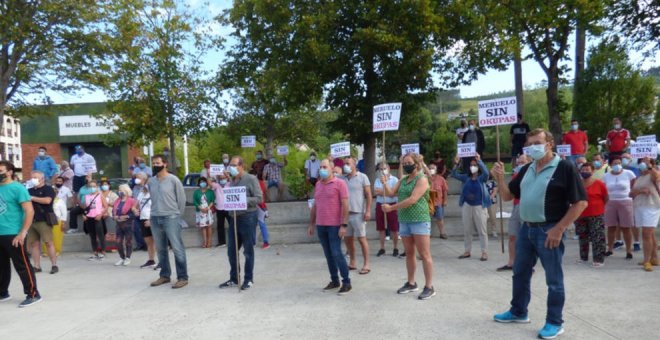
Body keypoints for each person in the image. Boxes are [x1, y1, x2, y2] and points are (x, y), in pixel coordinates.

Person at [491, 128, 587, 339]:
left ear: (549, 144)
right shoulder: (527, 169)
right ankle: (518, 311)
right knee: (520, 273)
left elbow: (580, 203)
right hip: (527, 229)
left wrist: (559, 229)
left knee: (553, 280)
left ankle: (554, 321)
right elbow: (508, 196)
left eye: (537, 142)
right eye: (530, 143)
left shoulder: (564, 167)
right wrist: (499, 179)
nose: (533, 147)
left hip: (549, 230)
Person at [381, 153, 435, 300]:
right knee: (409, 253)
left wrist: (391, 209)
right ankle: (411, 282)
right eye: (404, 163)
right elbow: (392, 193)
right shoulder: (403, 179)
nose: (406, 166)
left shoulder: (422, 179)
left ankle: (429, 286)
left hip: (419, 220)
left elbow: (413, 199)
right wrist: (385, 182)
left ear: (417, 164)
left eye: (408, 163)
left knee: (424, 254)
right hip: (404, 220)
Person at [0, 160, 42, 307]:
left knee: (21, 264)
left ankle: (33, 293)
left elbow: (29, 211)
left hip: (13, 233)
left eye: (1, 170)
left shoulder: (18, 188)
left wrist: (22, 233)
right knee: (2, 265)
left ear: (10, 172)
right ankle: (2, 292)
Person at [307, 159, 351, 295]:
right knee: (328, 255)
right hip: (321, 225)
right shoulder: (318, 184)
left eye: (324, 167)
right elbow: (315, 205)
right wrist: (311, 223)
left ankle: (346, 282)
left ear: (332, 169)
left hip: (334, 225)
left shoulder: (340, 183)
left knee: (337, 253)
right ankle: (334, 280)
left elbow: (345, 205)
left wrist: (343, 225)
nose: (322, 169)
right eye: (320, 167)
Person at [219, 156, 262, 290]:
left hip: (248, 217)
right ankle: (234, 278)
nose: (230, 167)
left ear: (241, 165)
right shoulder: (232, 181)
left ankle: (248, 279)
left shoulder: (251, 179)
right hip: (234, 218)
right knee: (232, 250)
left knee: (248, 250)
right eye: (230, 165)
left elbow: (259, 198)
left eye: (233, 165)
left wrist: (243, 199)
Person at [148, 155, 189, 289]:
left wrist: (177, 215)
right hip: (155, 217)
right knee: (160, 249)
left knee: (177, 248)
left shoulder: (173, 180)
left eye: (158, 163)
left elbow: (181, 200)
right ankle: (164, 275)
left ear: (165, 164)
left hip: (171, 217)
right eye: (154, 163)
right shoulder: (151, 181)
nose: (155, 165)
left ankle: (182, 277)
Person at [451, 154, 491, 261]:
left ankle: (484, 252)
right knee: (467, 229)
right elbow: (453, 174)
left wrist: (480, 161)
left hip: (479, 206)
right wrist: (456, 163)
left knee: (482, 230)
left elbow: (487, 173)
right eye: (471, 165)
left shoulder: (482, 178)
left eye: (475, 165)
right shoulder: (466, 177)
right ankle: (467, 250)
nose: (473, 167)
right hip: (467, 205)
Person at [497, 153, 531, 272]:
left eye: (522, 162)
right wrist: (499, 178)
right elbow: (508, 195)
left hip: (527, 206)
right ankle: (512, 262)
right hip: (516, 206)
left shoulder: (531, 174)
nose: (519, 165)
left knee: (526, 237)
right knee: (512, 235)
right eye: (518, 163)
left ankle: (527, 264)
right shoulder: (515, 175)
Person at [574, 163, 608, 267]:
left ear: (593, 171)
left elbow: (606, 198)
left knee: (597, 237)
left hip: (596, 214)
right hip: (580, 214)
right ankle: (583, 257)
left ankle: (599, 259)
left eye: (587, 169)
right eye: (583, 170)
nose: (585, 171)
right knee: (582, 236)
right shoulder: (577, 183)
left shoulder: (599, 183)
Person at [602, 156, 636, 259]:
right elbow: (603, 189)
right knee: (611, 227)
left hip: (625, 201)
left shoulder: (628, 173)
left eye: (619, 163)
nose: (617, 165)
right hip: (610, 202)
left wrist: (631, 193)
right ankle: (610, 249)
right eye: (615, 163)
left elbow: (634, 184)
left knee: (626, 227)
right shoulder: (606, 176)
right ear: (611, 165)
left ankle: (629, 250)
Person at [343, 157, 372, 275]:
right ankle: (353, 262)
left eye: (348, 163)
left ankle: (366, 264)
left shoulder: (362, 177)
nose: (346, 166)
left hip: (358, 214)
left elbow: (369, 195)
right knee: (348, 240)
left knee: (361, 239)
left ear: (354, 165)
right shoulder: (342, 178)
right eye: (344, 163)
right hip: (345, 215)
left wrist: (368, 211)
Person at [630, 158, 660, 272]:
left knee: (646, 234)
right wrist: (639, 191)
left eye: (646, 162)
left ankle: (646, 261)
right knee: (649, 233)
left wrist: (649, 166)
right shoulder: (638, 178)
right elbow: (631, 193)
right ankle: (655, 258)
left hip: (651, 206)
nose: (643, 164)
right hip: (639, 206)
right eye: (642, 162)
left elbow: (656, 176)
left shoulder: (654, 174)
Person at [26, 171, 58, 274]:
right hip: (31, 220)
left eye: (35, 177)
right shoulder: (28, 190)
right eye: (32, 177)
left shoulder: (48, 189)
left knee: (48, 242)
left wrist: (32, 198)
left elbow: (47, 201)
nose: (33, 179)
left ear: (42, 178)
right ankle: (37, 266)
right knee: (34, 244)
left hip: (44, 219)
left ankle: (54, 265)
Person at [374, 163, 400, 256]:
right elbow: (377, 191)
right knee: (381, 228)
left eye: (384, 168)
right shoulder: (378, 180)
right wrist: (389, 191)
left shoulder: (395, 180)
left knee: (394, 228)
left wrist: (387, 192)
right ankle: (382, 248)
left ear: (388, 168)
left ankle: (395, 248)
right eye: (380, 169)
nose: (382, 170)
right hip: (380, 204)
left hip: (392, 205)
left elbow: (395, 193)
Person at [112, 184, 137, 266]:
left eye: (121, 190)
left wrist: (127, 216)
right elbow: (113, 211)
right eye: (119, 190)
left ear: (126, 191)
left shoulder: (132, 200)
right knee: (118, 242)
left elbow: (136, 213)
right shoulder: (117, 200)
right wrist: (114, 216)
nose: (119, 192)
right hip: (118, 224)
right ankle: (122, 257)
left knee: (128, 241)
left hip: (128, 224)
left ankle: (128, 257)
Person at [82, 180, 107, 261]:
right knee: (92, 236)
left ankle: (103, 251)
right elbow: (86, 207)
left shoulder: (100, 195)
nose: (92, 188)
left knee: (100, 235)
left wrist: (101, 214)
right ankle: (95, 252)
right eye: (90, 186)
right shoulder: (86, 196)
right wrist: (84, 215)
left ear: (97, 187)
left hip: (97, 217)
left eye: (94, 186)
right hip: (89, 217)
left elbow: (105, 206)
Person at [136, 182, 156, 268]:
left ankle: (162, 263)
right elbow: (135, 206)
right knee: (149, 242)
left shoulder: (154, 194)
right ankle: (151, 260)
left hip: (152, 219)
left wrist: (151, 220)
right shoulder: (141, 194)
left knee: (157, 241)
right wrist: (135, 210)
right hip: (143, 218)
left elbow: (156, 208)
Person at [193, 177, 215, 248]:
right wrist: (200, 208)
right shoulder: (196, 192)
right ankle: (205, 242)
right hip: (200, 211)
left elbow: (212, 200)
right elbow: (195, 201)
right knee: (203, 227)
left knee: (209, 226)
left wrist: (208, 208)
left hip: (208, 210)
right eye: (201, 182)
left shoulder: (210, 192)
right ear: (199, 183)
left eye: (204, 182)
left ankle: (209, 242)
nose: (203, 183)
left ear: (206, 183)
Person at [428, 163, 448, 239]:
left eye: (433, 168)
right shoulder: (425, 178)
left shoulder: (441, 179)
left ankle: (442, 233)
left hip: (438, 201)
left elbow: (445, 190)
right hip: (429, 201)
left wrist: (445, 200)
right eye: (430, 168)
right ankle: (428, 234)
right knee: (427, 218)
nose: (431, 170)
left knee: (439, 218)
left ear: (436, 170)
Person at [211, 173, 230, 247]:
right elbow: (209, 183)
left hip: (228, 207)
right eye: (221, 178)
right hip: (219, 208)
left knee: (232, 225)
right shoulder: (217, 185)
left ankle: (235, 240)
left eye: (224, 178)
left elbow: (234, 181)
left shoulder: (229, 184)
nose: (222, 180)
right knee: (220, 226)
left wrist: (228, 176)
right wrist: (211, 174)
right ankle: (222, 242)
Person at [100, 180, 119, 252]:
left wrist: (108, 204)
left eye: (106, 184)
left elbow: (117, 205)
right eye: (103, 184)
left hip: (110, 214)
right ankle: (101, 248)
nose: (104, 186)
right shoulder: (99, 194)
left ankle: (113, 247)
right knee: (101, 232)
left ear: (109, 185)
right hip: (100, 215)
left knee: (111, 231)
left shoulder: (113, 194)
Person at [131, 173, 148, 251]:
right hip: (136, 211)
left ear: (144, 179)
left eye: (138, 177)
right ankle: (140, 244)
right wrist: (134, 209)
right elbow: (134, 198)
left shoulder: (147, 188)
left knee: (145, 229)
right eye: (136, 177)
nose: (136, 179)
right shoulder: (135, 187)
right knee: (136, 228)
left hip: (145, 211)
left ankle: (147, 245)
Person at [49, 185, 67, 256]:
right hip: (47, 220)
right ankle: (46, 251)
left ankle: (56, 250)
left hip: (57, 220)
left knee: (56, 237)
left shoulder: (60, 201)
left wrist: (63, 222)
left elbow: (64, 212)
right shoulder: (46, 200)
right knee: (47, 236)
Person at [256, 178, 270, 249]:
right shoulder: (260, 182)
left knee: (261, 224)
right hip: (259, 206)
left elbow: (260, 194)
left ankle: (266, 242)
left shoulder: (259, 182)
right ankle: (265, 242)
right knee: (261, 224)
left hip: (259, 207)